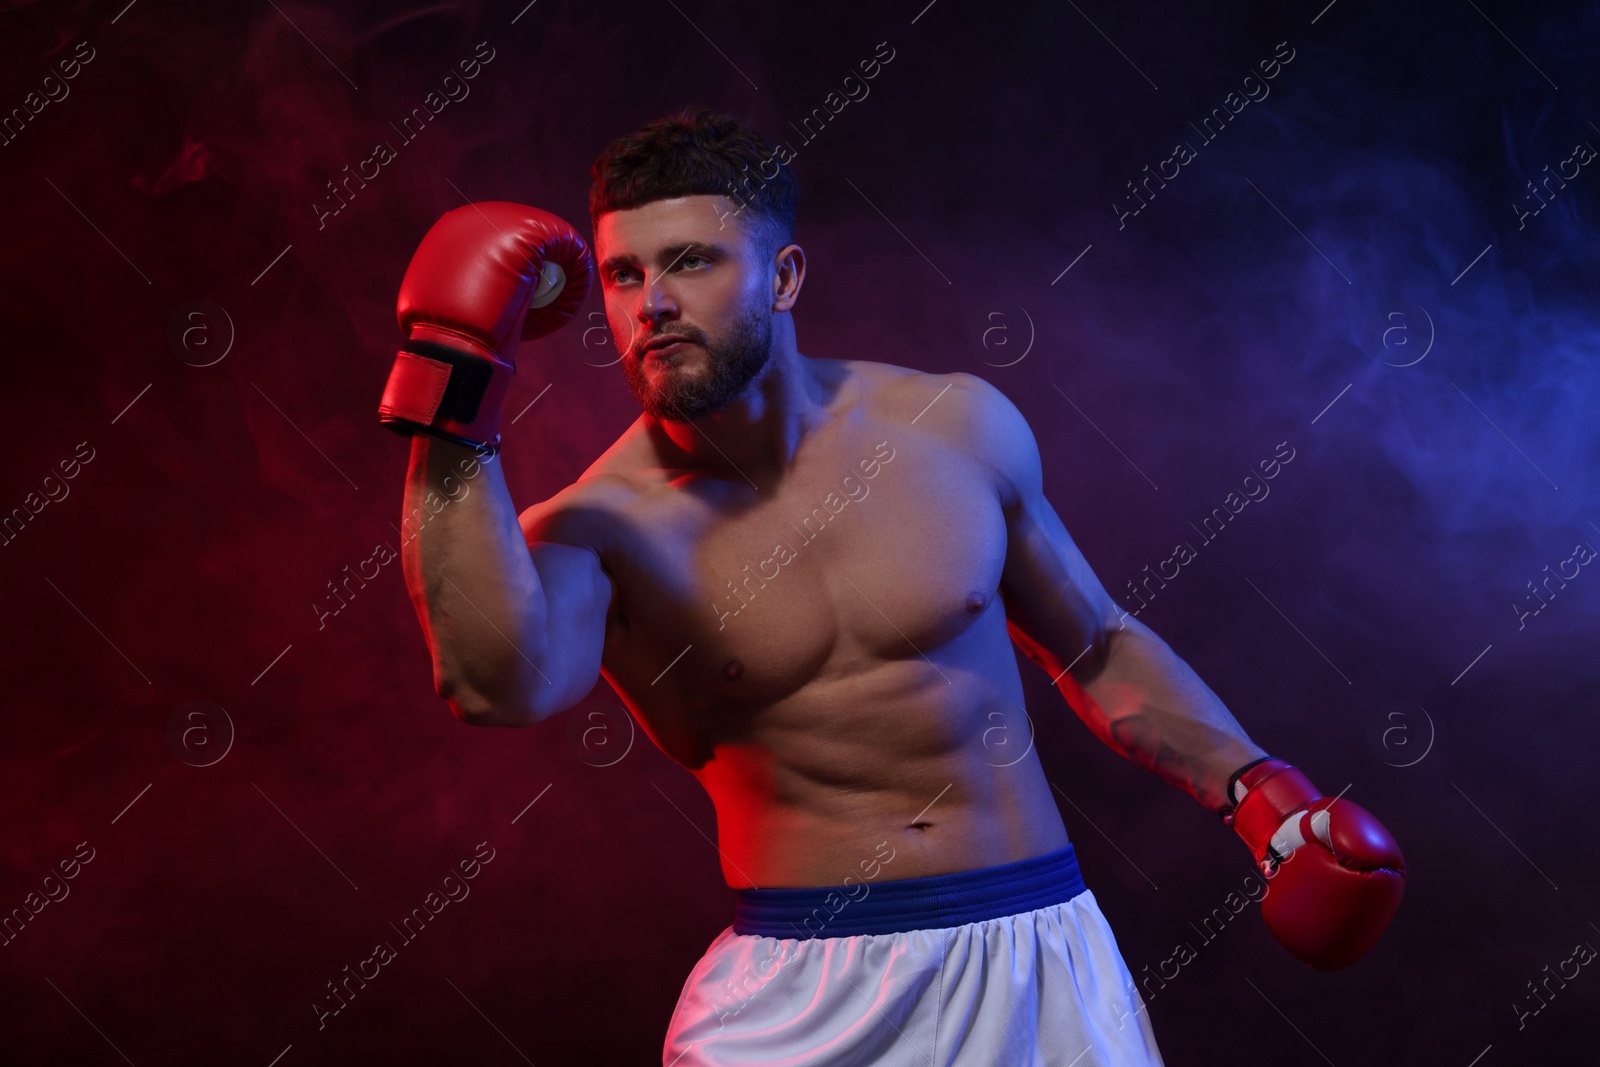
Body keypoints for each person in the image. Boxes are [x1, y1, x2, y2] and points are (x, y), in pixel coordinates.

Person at [378, 108, 1405, 1066]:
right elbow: (493, 684)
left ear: (782, 275)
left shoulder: (953, 426)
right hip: (798, 993)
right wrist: (449, 391)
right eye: (620, 272)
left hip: (1037, 953)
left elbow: (1094, 643)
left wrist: (1262, 797)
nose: (650, 304)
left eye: (690, 262)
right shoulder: (597, 529)